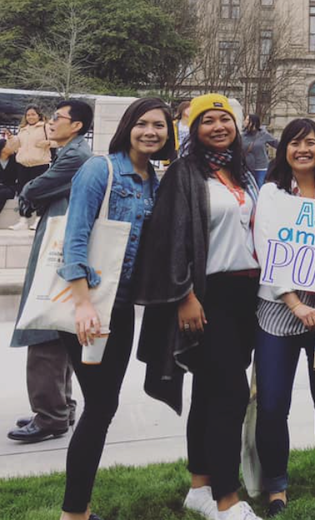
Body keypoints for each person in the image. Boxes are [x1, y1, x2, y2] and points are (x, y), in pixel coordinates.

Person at [135, 94, 262, 520]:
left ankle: (199, 486)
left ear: (238, 124)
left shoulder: (242, 174)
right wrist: (184, 296)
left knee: (209, 393)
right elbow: (168, 240)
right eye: (206, 120)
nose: (217, 126)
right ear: (193, 129)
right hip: (209, 297)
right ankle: (227, 497)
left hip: (247, 296)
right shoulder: (184, 175)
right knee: (230, 394)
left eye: (224, 118)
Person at [56, 97, 174, 520]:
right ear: (128, 126)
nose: (150, 132)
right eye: (142, 123)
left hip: (120, 311)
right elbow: (75, 236)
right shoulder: (100, 169)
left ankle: (79, 510)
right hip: (86, 309)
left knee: (103, 407)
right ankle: (74, 514)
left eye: (159, 126)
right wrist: (83, 303)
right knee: (101, 406)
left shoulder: (154, 180)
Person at [255, 118, 315, 516]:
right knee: (273, 404)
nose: (302, 150)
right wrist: (294, 302)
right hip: (279, 312)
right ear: (284, 151)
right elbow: (267, 247)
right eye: (294, 143)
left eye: (310, 143)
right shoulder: (271, 194)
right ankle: (276, 487)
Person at [7, 100, 94, 445]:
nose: (51, 122)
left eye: (58, 117)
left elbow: (33, 190)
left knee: (43, 328)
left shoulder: (75, 157)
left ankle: (50, 416)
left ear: (76, 125)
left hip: (55, 254)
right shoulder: (73, 153)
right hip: (58, 248)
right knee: (55, 329)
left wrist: (30, 195)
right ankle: (60, 408)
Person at [4, 105, 52, 231]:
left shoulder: (46, 127)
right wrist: (10, 138)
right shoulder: (22, 129)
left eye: (33, 114)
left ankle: (38, 219)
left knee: (40, 192)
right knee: (23, 193)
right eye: (28, 115)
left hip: (40, 164)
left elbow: (57, 141)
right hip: (23, 165)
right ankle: (23, 220)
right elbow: (15, 146)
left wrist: (48, 143)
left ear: (39, 115)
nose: (30, 117)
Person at [242, 114, 279, 188]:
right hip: (247, 167)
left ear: (253, 122)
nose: (245, 122)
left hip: (261, 167)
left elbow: (277, 144)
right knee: (250, 189)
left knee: (259, 188)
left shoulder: (263, 134)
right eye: (245, 120)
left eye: (247, 120)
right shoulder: (243, 136)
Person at [0, 137, 18, 214]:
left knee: (2, 193)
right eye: (9, 145)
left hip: (10, 187)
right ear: (2, 149)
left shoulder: (16, 159)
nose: (13, 147)